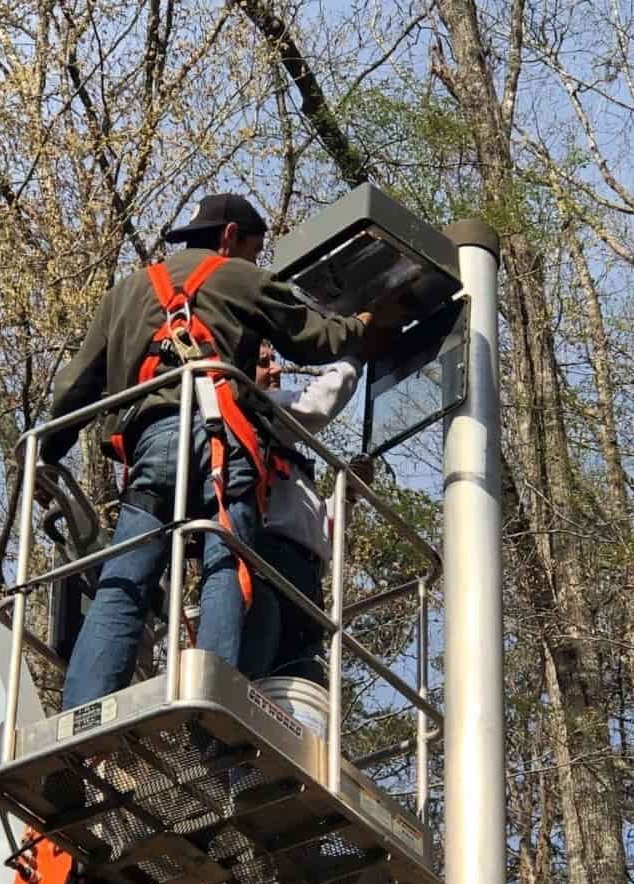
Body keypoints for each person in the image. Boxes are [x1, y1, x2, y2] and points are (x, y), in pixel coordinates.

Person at [39, 193, 394, 712]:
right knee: (226, 564)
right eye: (251, 249)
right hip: (218, 440)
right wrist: (365, 326)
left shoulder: (125, 294)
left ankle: (82, 711)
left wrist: (48, 452)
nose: (252, 261)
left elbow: (75, 389)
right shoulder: (236, 277)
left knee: (124, 581)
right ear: (230, 237)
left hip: (149, 447)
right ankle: (214, 698)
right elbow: (314, 338)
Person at [240, 346, 372, 686]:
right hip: (265, 567)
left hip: (306, 582)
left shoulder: (285, 449)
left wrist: (348, 495)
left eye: (276, 360)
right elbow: (315, 405)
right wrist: (359, 353)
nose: (276, 370)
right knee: (248, 680)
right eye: (263, 362)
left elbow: (317, 531)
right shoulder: (250, 412)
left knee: (302, 697)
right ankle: (215, 739)